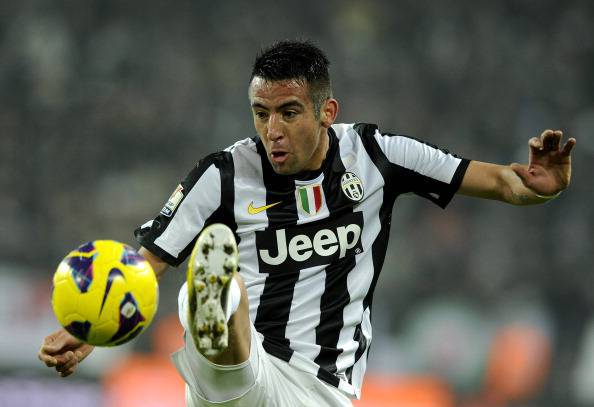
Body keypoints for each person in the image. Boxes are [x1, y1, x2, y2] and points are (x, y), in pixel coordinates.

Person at [38, 40, 576, 406]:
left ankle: (218, 317)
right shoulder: (224, 174)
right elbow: (144, 265)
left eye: (289, 112)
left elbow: (502, 182)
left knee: (212, 302)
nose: (272, 129)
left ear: (326, 112)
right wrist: (89, 330)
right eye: (261, 113)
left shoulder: (377, 155)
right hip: (242, 370)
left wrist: (541, 185)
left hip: (321, 389)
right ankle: (219, 320)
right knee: (204, 296)